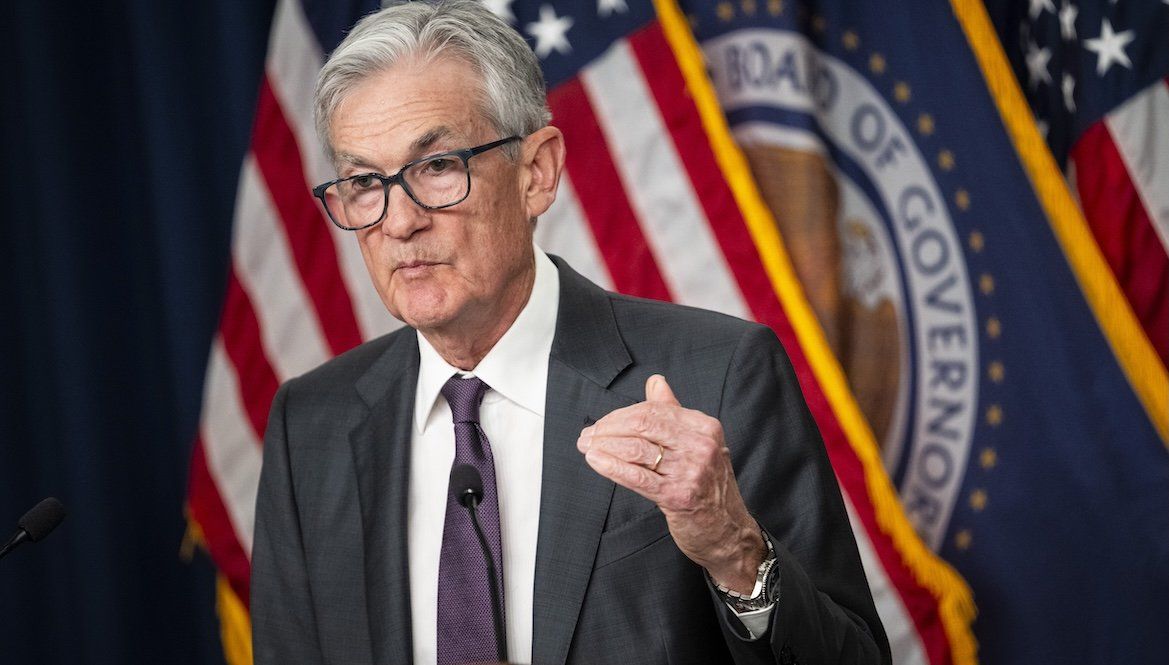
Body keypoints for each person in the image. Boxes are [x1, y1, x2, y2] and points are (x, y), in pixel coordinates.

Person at [250, 1, 890, 663]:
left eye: (436, 166)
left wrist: (732, 550)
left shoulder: (720, 375)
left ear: (537, 171)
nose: (398, 221)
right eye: (363, 181)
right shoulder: (311, 424)